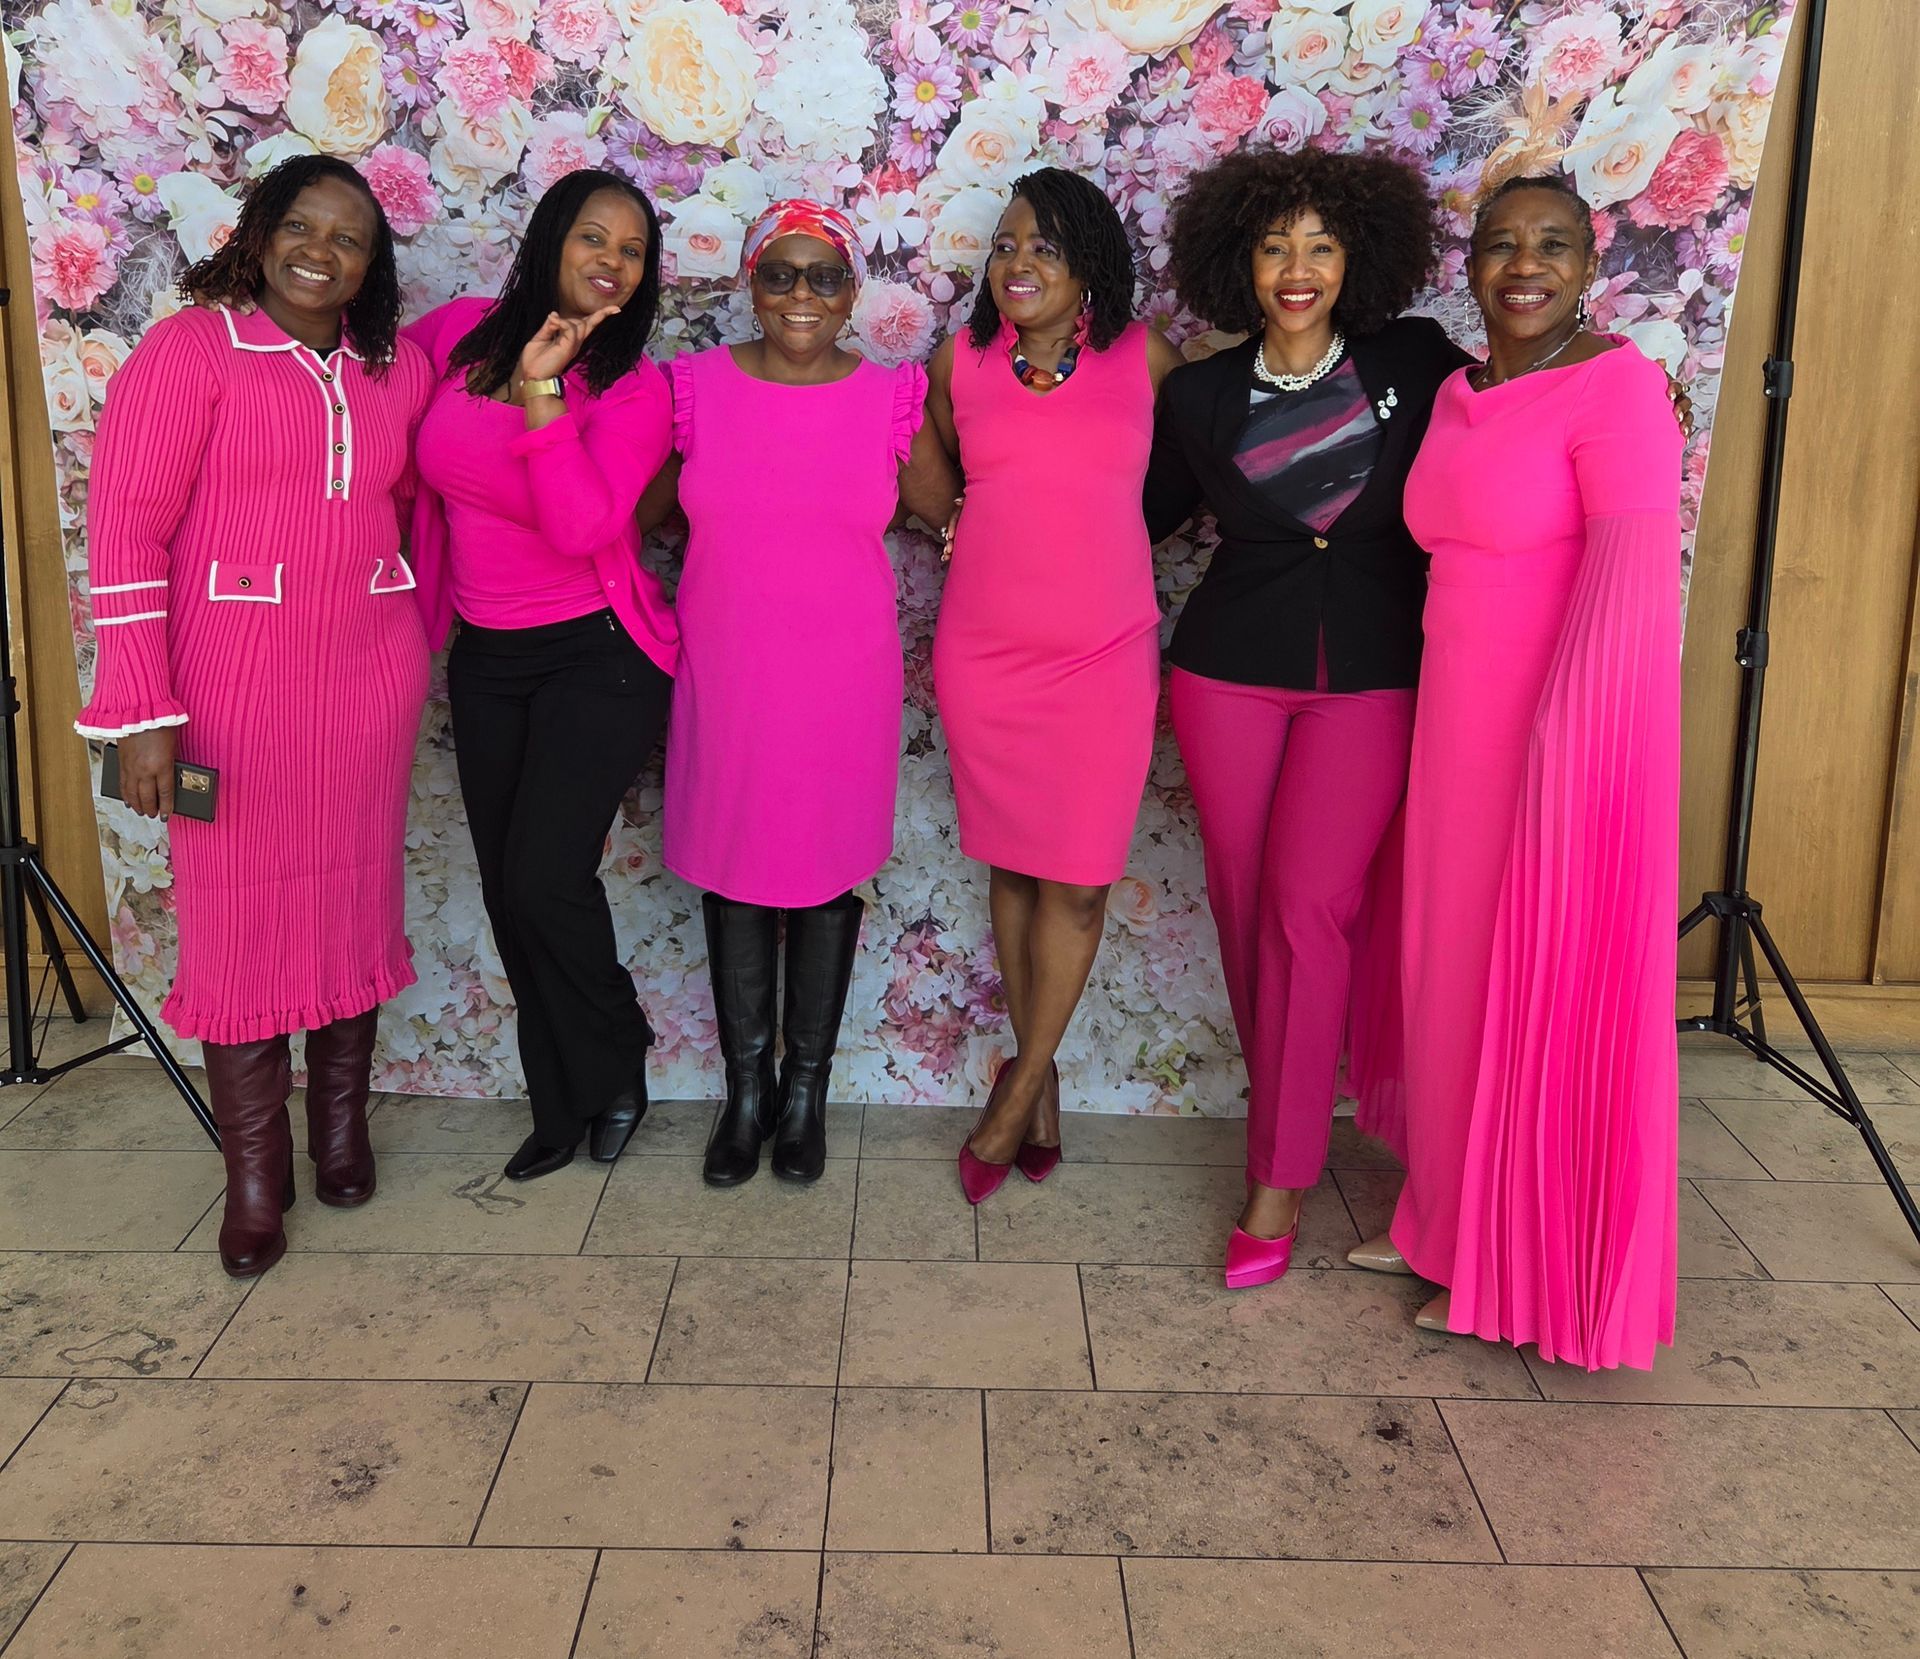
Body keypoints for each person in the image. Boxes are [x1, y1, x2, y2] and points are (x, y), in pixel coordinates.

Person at [75, 156, 433, 1277]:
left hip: (368, 685)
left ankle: (340, 1135)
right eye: (301, 227)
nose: (321, 252)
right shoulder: (190, 352)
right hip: (228, 690)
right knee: (237, 921)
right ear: (260, 232)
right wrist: (141, 711)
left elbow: (419, 511)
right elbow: (124, 531)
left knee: (352, 901)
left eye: (350, 239)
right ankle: (256, 1174)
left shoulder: (396, 369)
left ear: (372, 266)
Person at [1350, 175, 1683, 1372]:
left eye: (1551, 245)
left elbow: (1636, 585)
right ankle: (1440, 1222)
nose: (1523, 266)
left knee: (1530, 982)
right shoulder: (1458, 391)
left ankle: (1523, 1267)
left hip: (1556, 740)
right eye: (1500, 244)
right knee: (1448, 972)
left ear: (1592, 262)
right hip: (1452, 729)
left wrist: (1572, 745)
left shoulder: (1620, 388)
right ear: (1471, 262)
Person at [1146, 148, 1471, 1289]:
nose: (1298, 267)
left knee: (1305, 906)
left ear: (1356, 259)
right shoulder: (1195, 394)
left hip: (1373, 676)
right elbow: (1127, 518)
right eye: (1276, 243)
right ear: (1238, 258)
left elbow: (1520, 419)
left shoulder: (1416, 362)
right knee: (1248, 914)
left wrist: (1628, 384)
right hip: (1228, 672)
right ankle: (1289, 1114)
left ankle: (1278, 1174)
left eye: (1321, 244)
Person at [638, 201, 959, 1186]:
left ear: (853, 290)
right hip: (728, 674)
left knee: (825, 880)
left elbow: (947, 512)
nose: (802, 296)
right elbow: (639, 516)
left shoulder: (894, 398)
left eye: (825, 277)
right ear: (749, 283)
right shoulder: (689, 389)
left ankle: (805, 1092)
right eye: (780, 274)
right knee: (734, 872)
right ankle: (747, 1095)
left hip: (842, 684)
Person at [406, 168, 675, 1183]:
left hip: (596, 656)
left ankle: (617, 1054)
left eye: (632, 250)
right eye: (592, 238)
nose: (610, 261)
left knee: (543, 877)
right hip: (486, 656)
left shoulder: (634, 387)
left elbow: (579, 527)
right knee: (507, 891)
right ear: (552, 239)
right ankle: (560, 1096)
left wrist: (543, 393)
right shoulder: (462, 333)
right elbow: (385, 408)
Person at [927, 167, 1184, 1204]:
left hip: (1104, 656)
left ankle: (1018, 1086)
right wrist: (960, 531)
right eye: (1005, 245)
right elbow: (926, 465)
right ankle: (1041, 1095)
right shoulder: (965, 361)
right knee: (1018, 868)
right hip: (985, 657)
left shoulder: (1146, 357)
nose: (1017, 264)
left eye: (1043, 247)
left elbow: (1198, 472)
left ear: (1091, 268)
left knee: (1078, 879)